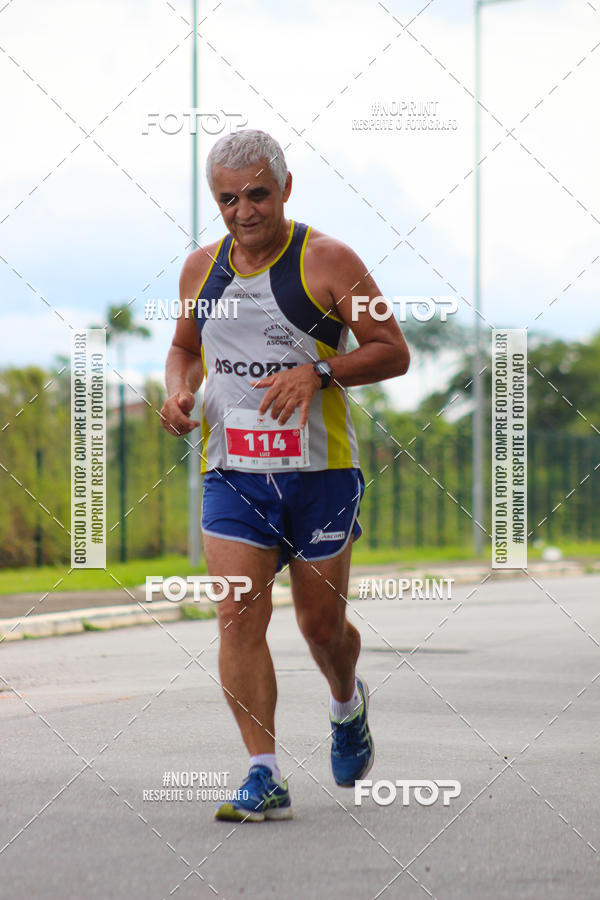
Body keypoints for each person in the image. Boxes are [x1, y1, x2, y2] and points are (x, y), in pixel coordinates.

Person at [161, 129, 410, 822]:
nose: (243, 211)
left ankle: (345, 701)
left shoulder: (329, 260)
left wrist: (319, 370)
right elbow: (183, 348)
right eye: (227, 198)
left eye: (257, 194)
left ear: (286, 188)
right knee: (237, 615)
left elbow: (393, 352)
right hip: (234, 473)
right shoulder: (200, 269)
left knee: (321, 627)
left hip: (319, 473)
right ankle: (263, 771)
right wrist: (178, 392)